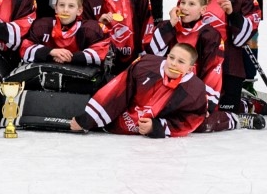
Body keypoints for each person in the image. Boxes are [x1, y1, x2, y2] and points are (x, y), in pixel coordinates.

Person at [71, 43, 212, 137]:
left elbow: (192, 119)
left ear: (190, 69)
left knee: (211, 123)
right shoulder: (145, 65)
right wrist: (87, 120)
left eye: (181, 62)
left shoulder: (195, 90)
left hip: (148, 145)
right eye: (172, 57)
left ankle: (231, 119)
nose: (173, 63)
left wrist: (157, 127)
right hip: (117, 124)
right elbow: (117, 90)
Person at [202, 0, 263, 112]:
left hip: (230, 64)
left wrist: (233, 14)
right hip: (200, 62)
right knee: (201, 106)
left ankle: (246, 104)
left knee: (226, 108)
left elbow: (243, 38)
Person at [146, 0, 225, 96]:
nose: (185, 7)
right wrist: (170, 25)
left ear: (203, 10)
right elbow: (152, 55)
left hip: (191, 95)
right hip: (162, 91)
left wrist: (205, 101)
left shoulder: (210, 35)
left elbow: (213, 71)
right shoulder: (166, 26)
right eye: (183, 2)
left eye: (191, 4)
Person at [20, 0, 110, 67]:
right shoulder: (42, 26)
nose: (65, 10)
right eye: (62, 5)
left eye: (71, 6)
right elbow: (24, 50)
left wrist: (70, 58)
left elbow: (101, 54)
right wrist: (51, 52)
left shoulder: (90, 28)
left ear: (79, 11)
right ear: (56, 8)